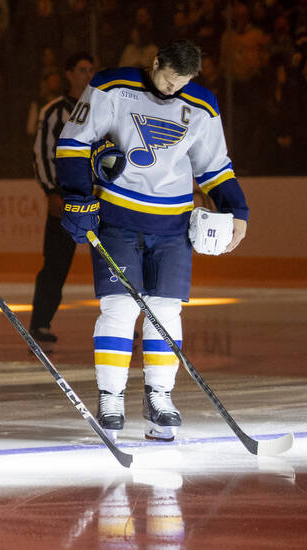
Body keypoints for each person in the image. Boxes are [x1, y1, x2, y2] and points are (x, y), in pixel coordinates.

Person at [57, 40, 248, 442]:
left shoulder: (203, 104)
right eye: (166, 78)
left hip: (173, 224)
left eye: (181, 83)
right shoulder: (111, 87)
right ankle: (111, 397)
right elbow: (72, 142)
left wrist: (238, 211)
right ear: (155, 61)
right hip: (117, 218)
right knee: (120, 308)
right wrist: (77, 197)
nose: (171, 89)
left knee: (165, 311)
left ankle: (159, 398)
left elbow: (214, 166)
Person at [29, 52, 95, 345]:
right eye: (82, 69)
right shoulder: (54, 111)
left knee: (113, 262)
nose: (88, 75)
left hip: (102, 197)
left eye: (92, 70)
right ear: (69, 74)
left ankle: (119, 321)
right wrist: (50, 191)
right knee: (55, 263)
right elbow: (41, 154)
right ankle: (40, 322)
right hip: (66, 198)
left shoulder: (103, 108)